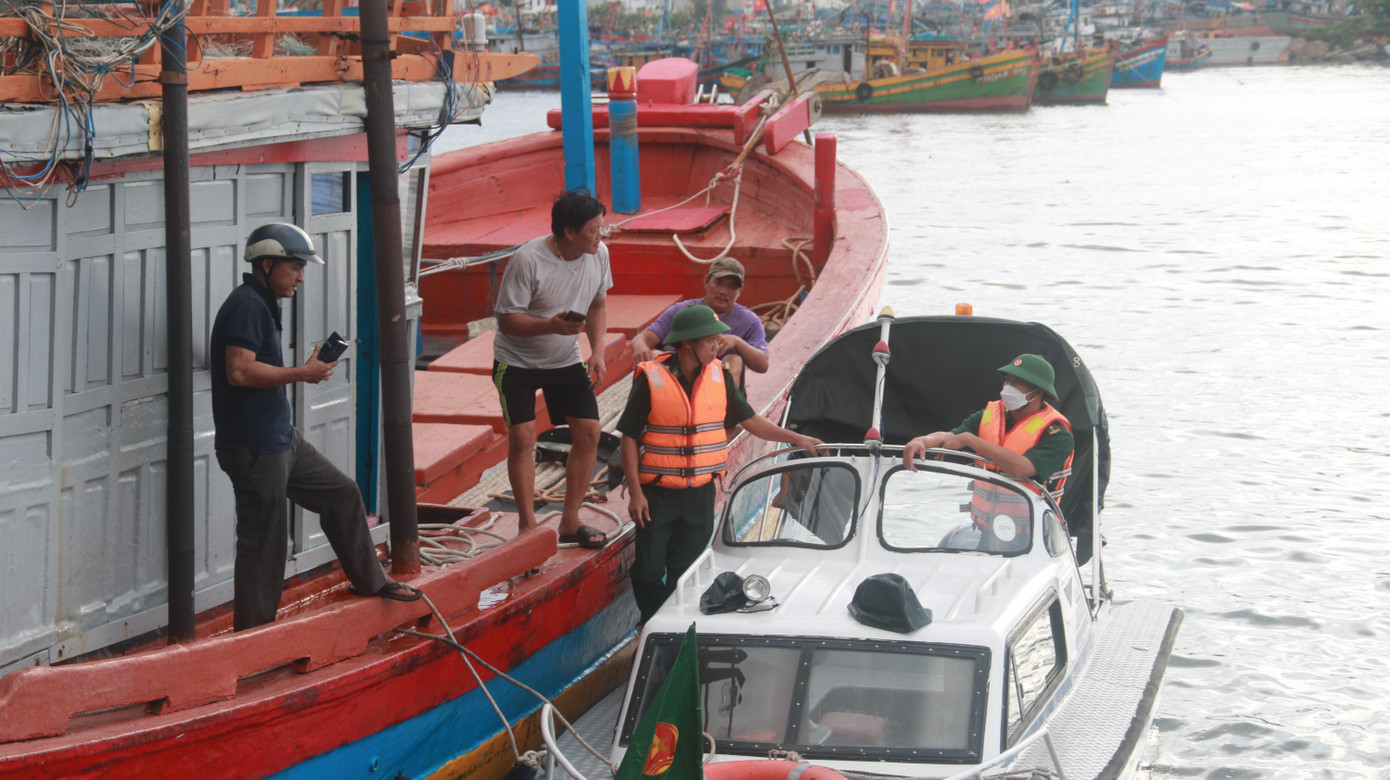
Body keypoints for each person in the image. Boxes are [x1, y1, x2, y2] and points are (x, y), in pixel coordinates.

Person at [211, 222, 414, 632]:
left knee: (342, 494)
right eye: (296, 267)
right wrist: (302, 373)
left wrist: (302, 371)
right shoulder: (247, 305)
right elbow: (238, 371)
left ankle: (371, 582)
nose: (302, 277)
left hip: (280, 439)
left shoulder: (265, 301)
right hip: (254, 447)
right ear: (267, 264)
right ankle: (253, 637)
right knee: (263, 544)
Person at [618, 305, 821, 623]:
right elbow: (628, 437)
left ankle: (668, 628)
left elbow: (751, 420)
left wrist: (797, 439)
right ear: (688, 344)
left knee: (685, 573)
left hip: (700, 496)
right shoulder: (651, 379)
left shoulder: (719, 376)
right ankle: (653, 616)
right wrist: (635, 493)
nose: (718, 345)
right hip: (657, 495)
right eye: (711, 340)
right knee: (647, 571)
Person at [493, 191, 613, 548]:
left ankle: (570, 520)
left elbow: (598, 304)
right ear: (570, 232)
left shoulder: (599, 255)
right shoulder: (528, 259)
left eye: (602, 229)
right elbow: (506, 321)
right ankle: (528, 526)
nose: (601, 236)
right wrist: (550, 326)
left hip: (564, 358)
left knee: (590, 433)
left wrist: (598, 352)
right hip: (517, 362)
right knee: (523, 438)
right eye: (594, 230)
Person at [902, 354, 1074, 551]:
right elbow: (950, 436)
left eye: (1017, 383)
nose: (1007, 388)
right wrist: (921, 441)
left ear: (1037, 391)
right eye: (1007, 380)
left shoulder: (1057, 433)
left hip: (1036, 537)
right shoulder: (991, 414)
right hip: (988, 530)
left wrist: (969, 439)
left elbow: (1021, 468)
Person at [630, 257, 768, 383]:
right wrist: (639, 346)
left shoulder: (750, 321)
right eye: (718, 283)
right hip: (681, 382)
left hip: (718, 392)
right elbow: (642, 338)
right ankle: (656, 402)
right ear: (706, 281)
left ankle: (724, 408)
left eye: (731, 287)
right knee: (655, 356)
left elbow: (763, 365)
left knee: (734, 360)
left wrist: (737, 343)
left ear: (740, 290)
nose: (723, 292)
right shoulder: (682, 311)